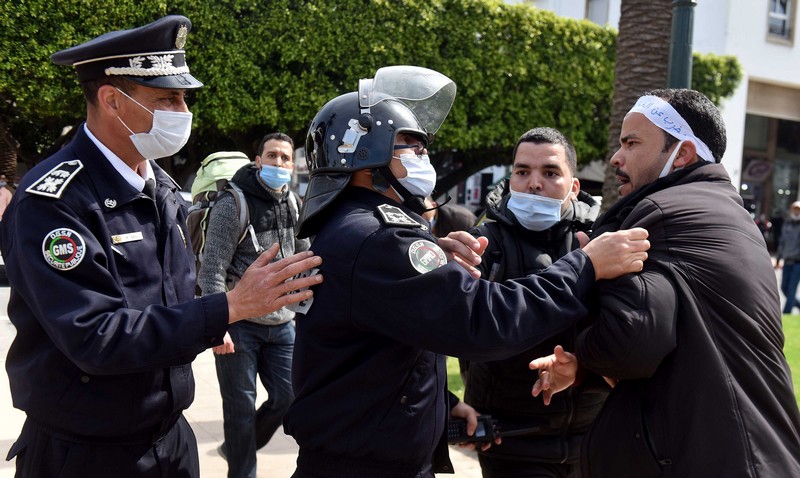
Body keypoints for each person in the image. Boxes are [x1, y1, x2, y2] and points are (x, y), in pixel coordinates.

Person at [283, 65, 649, 478]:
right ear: (366, 156)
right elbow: (483, 319)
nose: (423, 156)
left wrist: (440, 400)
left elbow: (395, 340)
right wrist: (586, 265)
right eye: (410, 146)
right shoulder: (377, 236)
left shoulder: (361, 228)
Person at [0, 16, 322, 478]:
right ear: (112, 100)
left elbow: (172, 294)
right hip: (89, 453)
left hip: (169, 438)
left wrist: (214, 313)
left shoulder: (160, 185)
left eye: (184, 97)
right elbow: (96, 336)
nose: (182, 110)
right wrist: (227, 308)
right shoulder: (55, 201)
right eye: (166, 98)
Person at [530, 89, 800, 477]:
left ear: (683, 154)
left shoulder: (659, 212)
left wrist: (592, 281)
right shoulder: (724, 209)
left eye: (632, 143)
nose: (616, 158)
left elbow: (628, 345)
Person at [462, 127, 606, 478]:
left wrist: (582, 367)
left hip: (593, 440)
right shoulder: (482, 245)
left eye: (550, 173)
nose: (534, 183)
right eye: (522, 172)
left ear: (574, 187)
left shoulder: (602, 244)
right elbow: (464, 331)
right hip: (510, 444)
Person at [197, 132, 310, 478]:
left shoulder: (294, 202)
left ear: (293, 165)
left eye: (285, 158)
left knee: (288, 398)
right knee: (240, 411)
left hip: (282, 324)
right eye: (272, 156)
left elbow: (305, 254)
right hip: (239, 324)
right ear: (257, 161)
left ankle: (236, 447)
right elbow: (212, 266)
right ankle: (242, 469)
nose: (279, 163)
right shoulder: (234, 203)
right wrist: (220, 325)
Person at [775, 201, 800, 314]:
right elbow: (782, 243)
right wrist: (778, 259)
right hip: (787, 261)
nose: (796, 211)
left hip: (798, 263)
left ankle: (786, 313)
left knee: (791, 289)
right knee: (784, 287)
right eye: (795, 209)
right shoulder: (787, 224)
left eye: (798, 209)